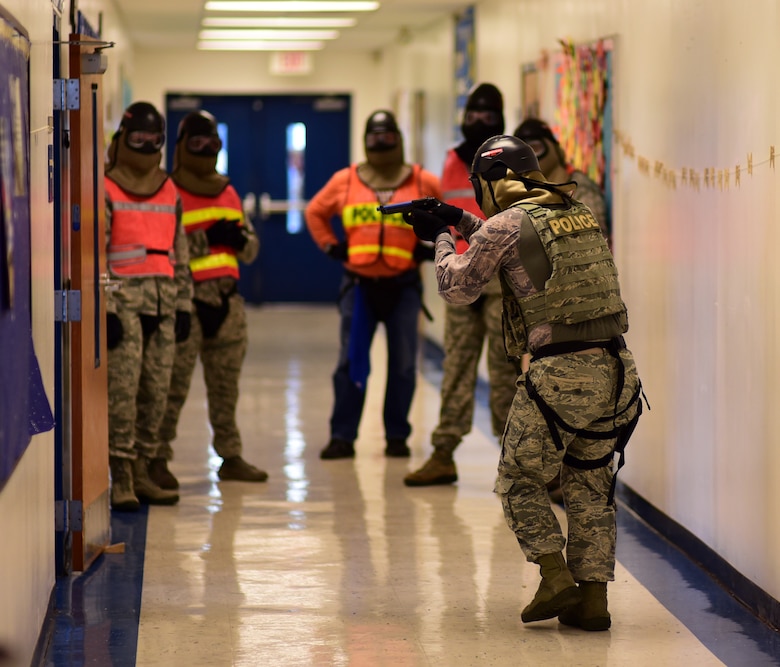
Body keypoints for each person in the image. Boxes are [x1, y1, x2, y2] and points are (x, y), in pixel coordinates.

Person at [403, 135, 644, 631]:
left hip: (561, 376)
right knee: (590, 485)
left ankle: (555, 578)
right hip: (617, 371)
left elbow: (458, 287)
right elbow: (515, 245)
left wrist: (442, 238)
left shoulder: (505, 224)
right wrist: (460, 219)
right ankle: (593, 601)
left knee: (517, 478)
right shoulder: (575, 210)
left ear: (491, 181)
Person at [305, 109, 443, 460]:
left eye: (388, 137)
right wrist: (329, 245)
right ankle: (342, 436)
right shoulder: (346, 180)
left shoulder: (423, 180)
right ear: (365, 140)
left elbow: (446, 217)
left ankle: (397, 436)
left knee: (403, 366)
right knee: (350, 363)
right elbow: (314, 212)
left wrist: (434, 247)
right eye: (374, 137)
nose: (381, 144)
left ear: (399, 138)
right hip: (360, 288)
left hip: (403, 286)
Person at [404, 83, 518, 487]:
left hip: (501, 282)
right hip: (462, 273)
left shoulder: (512, 158)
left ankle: (516, 464)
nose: (479, 122)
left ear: (501, 118)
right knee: (456, 367)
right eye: (473, 115)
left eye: (488, 116)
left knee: (505, 372)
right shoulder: (451, 162)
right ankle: (443, 452)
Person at [152, 110, 268, 488]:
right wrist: (209, 238)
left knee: (225, 388)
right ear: (182, 146)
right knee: (171, 387)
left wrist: (239, 241)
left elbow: (250, 249)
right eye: (197, 144)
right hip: (184, 303)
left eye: (213, 144)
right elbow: (163, 248)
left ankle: (230, 456)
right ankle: (155, 458)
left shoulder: (228, 190)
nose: (206, 152)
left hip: (227, 302)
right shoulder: (166, 191)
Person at [514, 118, 611, 502]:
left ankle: (571, 480)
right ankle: (550, 474)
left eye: (541, 145)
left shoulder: (576, 187)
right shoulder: (525, 192)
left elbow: (590, 244)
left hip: (580, 313)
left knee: (574, 401)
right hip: (541, 312)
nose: (537, 154)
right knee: (541, 396)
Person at [105, 101, 193, 511]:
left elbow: (182, 253)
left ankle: (143, 470)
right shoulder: (105, 187)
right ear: (122, 138)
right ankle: (120, 476)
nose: (145, 146)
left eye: (154, 139)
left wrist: (185, 306)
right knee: (123, 391)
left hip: (164, 301)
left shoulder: (170, 188)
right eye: (137, 138)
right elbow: (95, 254)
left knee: (156, 391)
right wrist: (105, 307)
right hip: (123, 302)